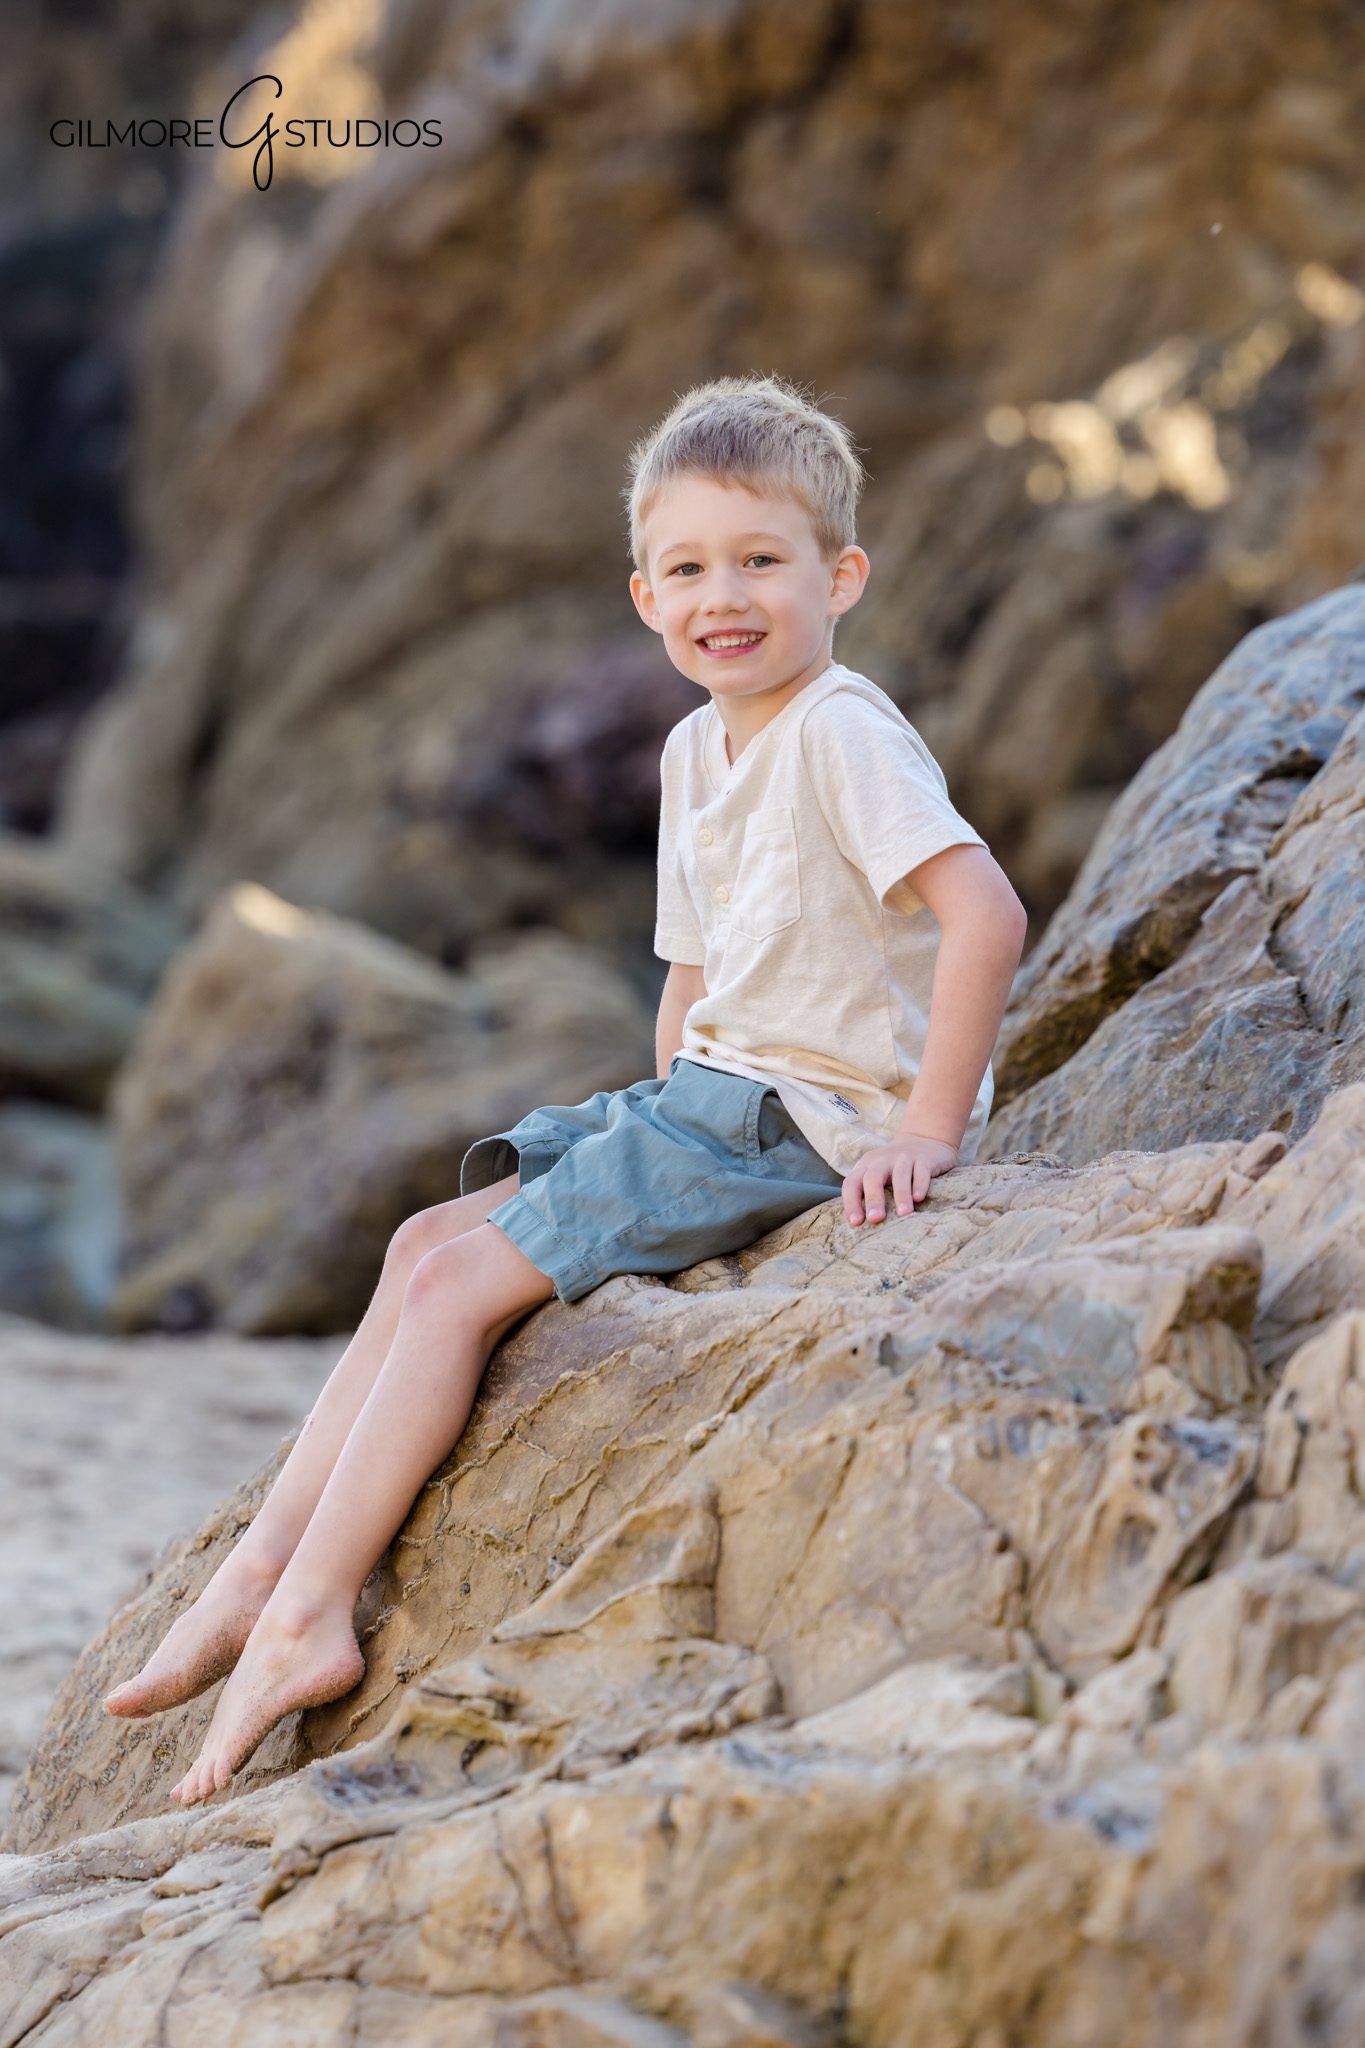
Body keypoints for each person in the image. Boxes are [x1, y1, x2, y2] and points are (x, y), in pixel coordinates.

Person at [103, 373, 1028, 1806]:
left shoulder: (842, 729)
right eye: (688, 568)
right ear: (647, 597)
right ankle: (258, 1566)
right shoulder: (692, 746)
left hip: (805, 1117)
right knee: (423, 1244)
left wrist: (922, 1134)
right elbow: (692, 975)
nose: (724, 595)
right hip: (712, 1100)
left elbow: (986, 917)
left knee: (452, 1292)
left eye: (761, 561)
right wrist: (643, 1145)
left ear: (838, 575)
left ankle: (307, 1618)